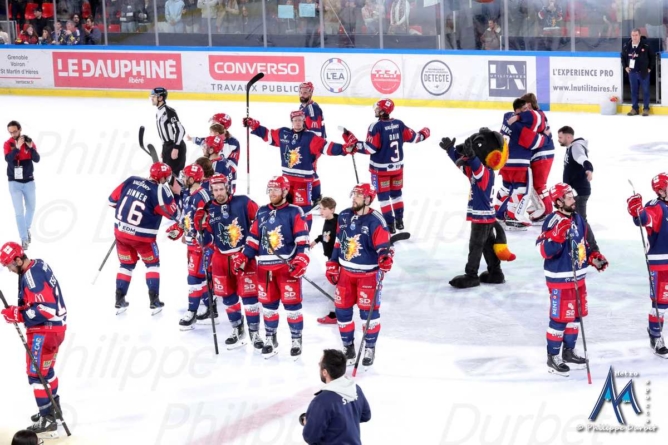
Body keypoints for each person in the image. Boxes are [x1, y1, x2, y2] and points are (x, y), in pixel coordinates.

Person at [231, 176, 310, 359]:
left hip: (286, 267)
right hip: (265, 269)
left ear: (284, 191)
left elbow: (302, 240)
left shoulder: (294, 211)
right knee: (268, 306)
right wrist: (243, 256)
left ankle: (296, 339)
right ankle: (270, 338)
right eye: (270, 189)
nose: (272, 193)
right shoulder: (262, 212)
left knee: (292, 306)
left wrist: (301, 260)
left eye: (276, 190)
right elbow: (253, 239)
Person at [536, 183, 608, 377]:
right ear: (558, 201)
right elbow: (542, 249)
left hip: (579, 279)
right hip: (560, 279)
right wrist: (557, 237)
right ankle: (553, 356)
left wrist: (595, 258)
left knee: (575, 316)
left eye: (572, 196)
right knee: (560, 318)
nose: (573, 199)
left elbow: (586, 245)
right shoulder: (552, 220)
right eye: (568, 197)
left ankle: (568, 352)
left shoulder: (578, 219)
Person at [243, 111, 355, 230]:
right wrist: (254, 125)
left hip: (303, 182)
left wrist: (344, 149)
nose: (297, 122)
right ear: (292, 121)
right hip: (286, 182)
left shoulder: (310, 137)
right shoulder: (283, 133)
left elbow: (326, 147)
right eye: (295, 120)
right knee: (283, 206)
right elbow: (268, 135)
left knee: (303, 212)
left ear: (304, 121)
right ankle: (285, 231)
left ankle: (304, 234)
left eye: (300, 120)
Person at [0, 242, 67, 437]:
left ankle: (47, 417)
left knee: (35, 374)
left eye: (10, 266)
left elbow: (46, 309)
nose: (10, 270)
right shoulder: (38, 265)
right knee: (47, 371)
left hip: (43, 332)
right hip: (55, 329)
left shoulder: (31, 278)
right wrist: (19, 310)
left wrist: (17, 314)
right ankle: (54, 408)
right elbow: (39, 302)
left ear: (19, 259)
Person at [441, 129, 516, 289]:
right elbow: (462, 165)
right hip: (486, 217)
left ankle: (471, 275)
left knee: (475, 245)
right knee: (487, 245)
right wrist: (450, 151)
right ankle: (495, 272)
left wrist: (473, 156)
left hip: (481, 218)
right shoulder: (476, 173)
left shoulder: (485, 173)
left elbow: (476, 166)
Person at [196, 173, 264, 349]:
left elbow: (261, 221)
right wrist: (199, 228)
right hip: (220, 258)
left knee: (250, 296)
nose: (219, 192)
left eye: (221, 188)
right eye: (215, 190)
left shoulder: (243, 202)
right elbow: (206, 239)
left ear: (227, 187)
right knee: (227, 297)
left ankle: (254, 332)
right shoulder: (208, 209)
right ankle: (236, 327)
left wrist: (253, 247)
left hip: (243, 256)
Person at [325, 184, 391, 367]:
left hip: (368, 275)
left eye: (359, 196)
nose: (354, 198)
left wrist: (385, 258)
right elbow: (339, 242)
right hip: (346, 274)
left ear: (368, 199)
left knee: (368, 314)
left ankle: (369, 346)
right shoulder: (345, 215)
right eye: (354, 194)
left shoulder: (376, 221)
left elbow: (384, 248)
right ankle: (348, 347)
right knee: (342, 311)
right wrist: (332, 263)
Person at [346, 98, 430, 233]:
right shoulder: (399, 124)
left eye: (378, 108)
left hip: (380, 171)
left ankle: (390, 225)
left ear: (383, 111)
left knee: (384, 198)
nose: (376, 110)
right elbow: (415, 138)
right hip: (397, 169)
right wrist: (425, 133)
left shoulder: (376, 127)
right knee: (397, 195)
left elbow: (370, 149)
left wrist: (354, 145)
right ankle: (400, 221)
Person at [108, 162, 179, 314]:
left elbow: (111, 201)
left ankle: (119, 299)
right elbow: (175, 214)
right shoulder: (160, 190)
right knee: (152, 264)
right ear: (163, 178)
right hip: (143, 238)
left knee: (125, 265)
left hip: (121, 233)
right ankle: (154, 301)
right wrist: (177, 195)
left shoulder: (131, 180)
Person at [165, 164, 213, 330]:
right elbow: (187, 216)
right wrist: (180, 229)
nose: (183, 179)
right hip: (192, 243)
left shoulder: (203, 196)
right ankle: (210, 309)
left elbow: (210, 219)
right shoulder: (187, 193)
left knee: (195, 277)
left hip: (203, 245)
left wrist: (202, 236)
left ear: (193, 179)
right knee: (199, 277)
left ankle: (192, 311)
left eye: (186, 176)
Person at [626, 173, 668, 358]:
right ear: (660, 190)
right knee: (661, 304)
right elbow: (644, 219)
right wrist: (637, 211)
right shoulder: (656, 207)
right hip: (662, 264)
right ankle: (655, 335)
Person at [495, 98, 547, 230]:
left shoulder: (507, 117)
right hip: (518, 163)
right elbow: (534, 142)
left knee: (506, 188)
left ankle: (498, 214)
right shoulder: (521, 126)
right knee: (520, 189)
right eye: (524, 110)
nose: (526, 112)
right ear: (517, 110)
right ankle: (513, 217)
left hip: (505, 162)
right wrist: (545, 137)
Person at [300, 349, 371, 444]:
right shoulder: (356, 389)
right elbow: (365, 415)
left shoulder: (321, 402)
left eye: (320, 364)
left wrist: (308, 423)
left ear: (325, 372)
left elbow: (310, 437)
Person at [518, 93, 554, 224]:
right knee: (535, 184)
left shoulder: (536, 115)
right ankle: (542, 208)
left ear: (528, 104)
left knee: (539, 184)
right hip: (541, 153)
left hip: (543, 153)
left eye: (524, 105)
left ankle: (548, 211)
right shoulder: (537, 114)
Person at [4, 121, 40, 250]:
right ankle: (24, 238)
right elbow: (8, 159)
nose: (13, 134)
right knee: (19, 212)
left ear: (20, 130)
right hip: (14, 182)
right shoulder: (8, 144)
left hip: (29, 181)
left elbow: (37, 159)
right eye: (10, 132)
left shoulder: (28, 142)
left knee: (31, 208)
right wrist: (17, 148)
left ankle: (26, 229)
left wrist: (30, 147)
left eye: (15, 131)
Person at [310, 197, 338, 324]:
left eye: (324, 209)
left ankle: (334, 314)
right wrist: (316, 241)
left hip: (337, 260)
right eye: (320, 208)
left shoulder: (338, 221)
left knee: (333, 286)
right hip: (330, 258)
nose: (321, 211)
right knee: (334, 285)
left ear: (332, 209)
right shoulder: (327, 220)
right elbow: (326, 235)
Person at [298, 82, 326, 205]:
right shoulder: (303, 107)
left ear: (311, 92)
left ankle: (316, 197)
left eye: (305, 92)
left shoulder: (312, 109)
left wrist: (309, 148)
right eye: (301, 92)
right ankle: (314, 196)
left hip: (312, 145)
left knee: (310, 170)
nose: (302, 94)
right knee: (309, 170)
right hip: (306, 144)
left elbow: (315, 133)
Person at [557, 126, 593, 221]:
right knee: (573, 218)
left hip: (580, 192)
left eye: (560, 137)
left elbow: (583, 159)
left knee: (580, 220)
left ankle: (586, 235)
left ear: (568, 137)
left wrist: (589, 169)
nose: (558, 140)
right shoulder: (571, 147)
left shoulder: (576, 147)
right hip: (575, 191)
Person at [151, 87, 187, 179]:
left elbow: (180, 130)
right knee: (165, 174)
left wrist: (176, 148)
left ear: (160, 98)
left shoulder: (169, 111)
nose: (152, 98)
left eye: (154, 96)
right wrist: (164, 149)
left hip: (175, 146)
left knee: (172, 176)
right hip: (167, 147)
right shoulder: (158, 112)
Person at [622, 28, 655, 116]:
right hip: (632, 73)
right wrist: (625, 67)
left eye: (636, 35)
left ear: (640, 35)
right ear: (631, 36)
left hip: (643, 72)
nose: (634, 37)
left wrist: (650, 68)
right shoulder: (627, 45)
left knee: (646, 91)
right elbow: (623, 57)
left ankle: (646, 109)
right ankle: (634, 108)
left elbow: (652, 57)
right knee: (634, 91)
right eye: (633, 35)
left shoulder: (646, 45)